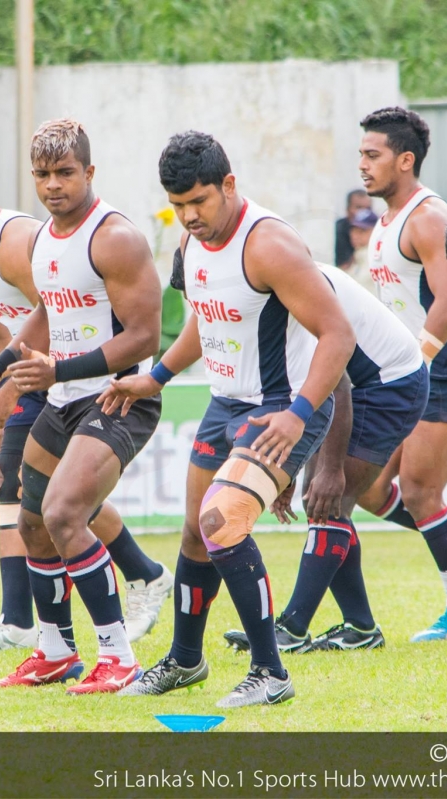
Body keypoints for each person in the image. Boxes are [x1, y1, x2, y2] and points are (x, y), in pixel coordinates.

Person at [109, 131, 352, 707]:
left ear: (229, 185)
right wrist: (156, 377)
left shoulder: (269, 245)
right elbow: (206, 320)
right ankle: (185, 660)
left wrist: (298, 415)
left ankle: (270, 672)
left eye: (199, 201)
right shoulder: (192, 243)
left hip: (279, 407)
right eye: (178, 205)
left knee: (222, 521)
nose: (189, 215)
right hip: (225, 404)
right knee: (196, 530)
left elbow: (338, 335)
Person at [0, 161, 172, 651]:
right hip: (31, 377)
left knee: (47, 497)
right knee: (31, 491)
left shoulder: (17, 243)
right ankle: (110, 588)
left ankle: (34, 620)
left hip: (72, 377)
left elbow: (60, 318)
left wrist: (12, 393)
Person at [0, 119, 162, 694]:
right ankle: (54, 651)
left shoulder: (115, 237)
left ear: (89, 172)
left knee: (64, 514)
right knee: (31, 523)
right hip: (65, 397)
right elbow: (49, 313)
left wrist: (58, 371)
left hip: (119, 397)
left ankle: (118, 657)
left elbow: (145, 337)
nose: (53, 185)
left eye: (65, 173)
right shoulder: (45, 238)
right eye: (42, 174)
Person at [354, 106, 447, 640]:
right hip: (406, 374)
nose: (362, 164)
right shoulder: (385, 221)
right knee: (371, 489)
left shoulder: (427, 217)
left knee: (420, 493)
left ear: (405, 160)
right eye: (361, 155)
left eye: (372, 155)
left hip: (442, 374)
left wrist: (415, 364)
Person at [223, 261, 428, 654]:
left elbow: (338, 385)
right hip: (356, 385)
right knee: (318, 500)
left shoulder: (283, 286)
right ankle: (361, 627)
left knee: (331, 499)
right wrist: (289, 471)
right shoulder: (261, 279)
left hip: (388, 385)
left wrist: (331, 470)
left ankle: (292, 628)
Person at [335, 188, 372, 269]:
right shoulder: (337, 229)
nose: (363, 213)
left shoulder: (378, 226)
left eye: (367, 208)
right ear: (348, 210)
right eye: (359, 207)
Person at [345, 208, 379, 294]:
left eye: (362, 231)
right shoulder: (358, 255)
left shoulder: (377, 257)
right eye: (354, 230)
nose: (355, 235)